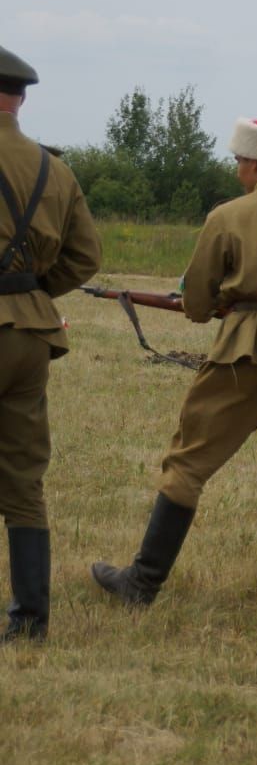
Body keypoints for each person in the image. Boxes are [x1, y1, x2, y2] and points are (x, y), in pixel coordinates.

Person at [91, 118, 257, 609]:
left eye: (241, 161)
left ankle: (142, 583)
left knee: (187, 464)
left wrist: (225, 305)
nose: (238, 169)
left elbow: (195, 302)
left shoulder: (228, 216)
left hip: (242, 354)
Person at [0, 45, 101, 641]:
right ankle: (31, 618)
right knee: (23, 477)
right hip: (31, 333)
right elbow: (86, 256)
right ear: (20, 98)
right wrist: (33, 292)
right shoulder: (53, 169)